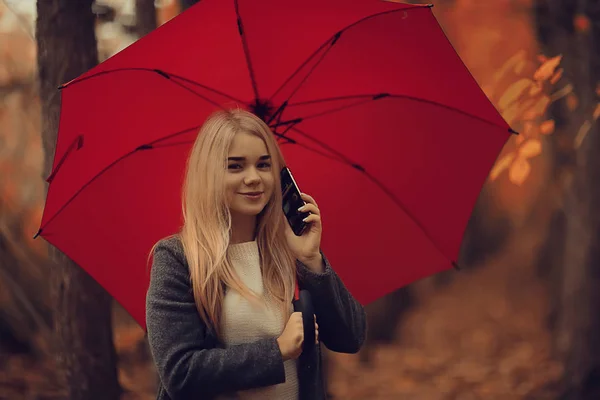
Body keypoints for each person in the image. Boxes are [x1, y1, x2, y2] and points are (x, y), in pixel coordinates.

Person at [145, 108, 367, 400]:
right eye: (235, 166)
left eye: (263, 165)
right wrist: (277, 351)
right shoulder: (179, 258)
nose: (253, 178)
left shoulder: (287, 248)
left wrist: (311, 260)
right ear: (209, 174)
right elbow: (180, 373)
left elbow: (350, 337)